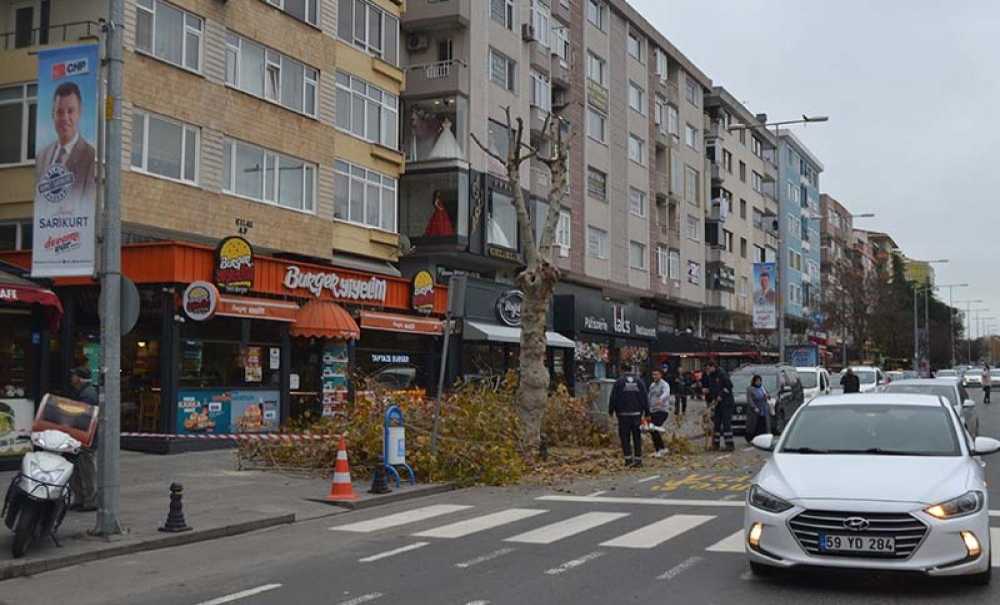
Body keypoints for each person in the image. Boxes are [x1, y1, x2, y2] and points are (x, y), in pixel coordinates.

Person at [35, 82, 97, 212]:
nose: (65, 118)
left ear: (79, 113)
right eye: (59, 112)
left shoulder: (89, 156)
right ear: (53, 115)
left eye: (70, 111)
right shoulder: (41, 157)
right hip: (46, 229)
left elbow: (87, 203)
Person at [68, 367, 98, 512]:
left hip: (85, 437)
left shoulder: (87, 394)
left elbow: (83, 416)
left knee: (86, 469)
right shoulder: (83, 392)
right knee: (77, 468)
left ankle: (90, 501)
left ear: (79, 378)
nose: (71, 378)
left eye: (73, 375)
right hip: (79, 436)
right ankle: (79, 499)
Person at [609, 364, 649, 468]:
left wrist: (611, 411)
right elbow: (644, 397)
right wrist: (647, 412)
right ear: (631, 370)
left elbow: (613, 397)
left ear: (622, 370)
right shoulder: (639, 382)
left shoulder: (619, 382)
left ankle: (628, 459)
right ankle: (638, 459)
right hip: (636, 414)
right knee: (637, 437)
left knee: (625, 437)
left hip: (623, 415)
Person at [704, 361, 735, 451]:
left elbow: (729, 386)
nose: (708, 370)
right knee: (716, 424)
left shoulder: (722, 374)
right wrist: (709, 394)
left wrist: (721, 395)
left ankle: (729, 445)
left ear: (713, 366)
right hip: (717, 404)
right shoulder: (711, 376)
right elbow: (713, 389)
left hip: (726, 403)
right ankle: (715, 444)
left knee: (726, 424)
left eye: (709, 368)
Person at [647, 369, 671, 457]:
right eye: (653, 375)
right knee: (651, 430)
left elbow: (666, 393)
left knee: (655, 428)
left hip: (662, 410)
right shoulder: (652, 385)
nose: (654, 376)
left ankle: (662, 448)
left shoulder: (665, 384)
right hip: (653, 410)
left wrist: (661, 400)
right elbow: (649, 396)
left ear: (661, 375)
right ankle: (658, 449)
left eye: (656, 375)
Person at [745, 374, 771, 441]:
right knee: (754, 425)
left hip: (763, 409)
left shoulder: (762, 388)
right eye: (757, 381)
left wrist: (767, 396)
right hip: (755, 410)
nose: (758, 382)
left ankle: (763, 436)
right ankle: (752, 437)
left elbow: (768, 395)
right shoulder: (750, 389)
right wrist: (754, 407)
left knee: (763, 424)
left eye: (759, 381)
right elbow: (749, 400)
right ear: (754, 381)